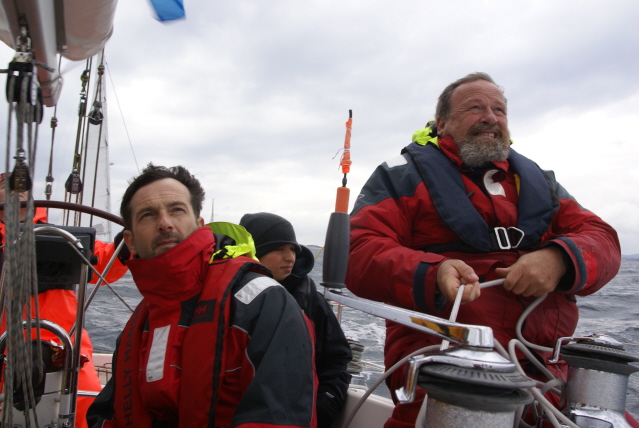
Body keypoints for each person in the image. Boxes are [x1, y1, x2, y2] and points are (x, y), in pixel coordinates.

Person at [346, 72, 622, 427]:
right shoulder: (402, 177)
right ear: (442, 123)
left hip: (547, 368)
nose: (491, 117)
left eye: (499, 110)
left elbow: (601, 237)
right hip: (444, 359)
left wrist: (559, 259)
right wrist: (433, 273)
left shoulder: (539, 182)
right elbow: (358, 251)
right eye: (475, 108)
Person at [87, 164, 317, 428]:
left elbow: (278, 417)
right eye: (148, 215)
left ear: (199, 226)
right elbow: (107, 414)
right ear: (130, 241)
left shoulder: (264, 302)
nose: (165, 223)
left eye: (177, 210)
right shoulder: (140, 323)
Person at [0, 172, 129, 428]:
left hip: (65, 350)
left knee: (86, 406)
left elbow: (105, 261)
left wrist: (124, 244)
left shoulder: (64, 236)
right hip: (5, 350)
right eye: (6, 184)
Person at [240, 212, 352, 428]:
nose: (290, 257)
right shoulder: (231, 297)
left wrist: (324, 407)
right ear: (254, 251)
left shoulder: (308, 297)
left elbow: (337, 360)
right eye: (279, 249)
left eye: (292, 249)